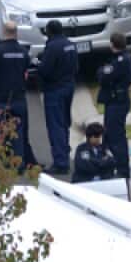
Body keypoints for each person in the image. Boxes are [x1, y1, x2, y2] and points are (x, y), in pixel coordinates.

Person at [0, 20, 38, 172]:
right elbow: (29, 70)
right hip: (19, 98)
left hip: (1, 99)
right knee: (19, 130)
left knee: (2, 130)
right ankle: (20, 162)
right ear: (16, 33)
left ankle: (7, 163)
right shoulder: (23, 52)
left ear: (4, 33)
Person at [38, 19, 80, 175]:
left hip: (55, 90)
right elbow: (76, 67)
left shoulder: (52, 47)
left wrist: (38, 65)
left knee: (55, 125)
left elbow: (45, 70)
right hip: (68, 86)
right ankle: (65, 151)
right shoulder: (70, 44)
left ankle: (61, 162)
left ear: (49, 31)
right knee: (64, 122)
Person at [97, 32, 131, 178]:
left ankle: (122, 169)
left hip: (117, 103)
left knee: (116, 136)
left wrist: (102, 71)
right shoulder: (121, 59)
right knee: (109, 134)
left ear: (112, 44)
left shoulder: (120, 61)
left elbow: (102, 75)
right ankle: (108, 163)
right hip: (115, 102)